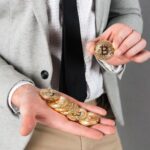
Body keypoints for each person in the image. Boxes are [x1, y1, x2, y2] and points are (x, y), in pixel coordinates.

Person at [0, 0, 149, 150]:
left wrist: (119, 42)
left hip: (100, 120)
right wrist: (17, 90)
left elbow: (126, 11)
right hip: (25, 126)